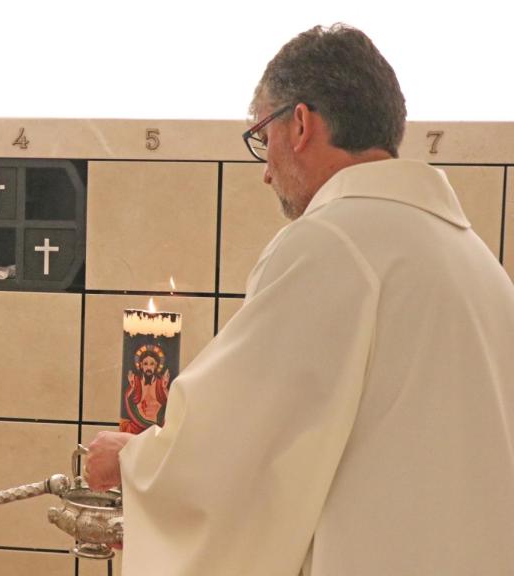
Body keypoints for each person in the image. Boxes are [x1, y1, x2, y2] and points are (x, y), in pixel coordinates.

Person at [86, 23, 514, 575]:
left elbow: (242, 450)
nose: (265, 173)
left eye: (263, 138)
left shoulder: (330, 243)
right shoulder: (477, 261)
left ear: (302, 123)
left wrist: (135, 466)